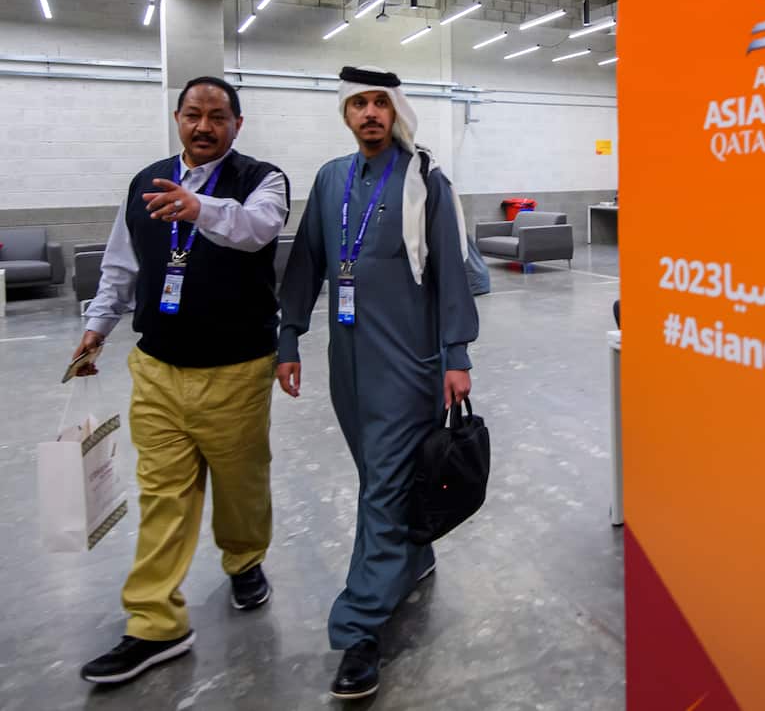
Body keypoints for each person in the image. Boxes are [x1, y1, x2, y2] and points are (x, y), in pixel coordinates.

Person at [73, 76, 290, 685]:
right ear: (177, 118)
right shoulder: (145, 182)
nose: (204, 126)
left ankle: (245, 561)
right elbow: (121, 265)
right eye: (193, 114)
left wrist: (199, 208)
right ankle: (153, 625)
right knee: (163, 493)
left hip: (237, 371)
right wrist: (97, 326)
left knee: (241, 485)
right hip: (158, 368)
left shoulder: (262, 179)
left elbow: (257, 229)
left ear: (236, 125)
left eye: (217, 116)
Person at [276, 65, 479, 700]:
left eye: (380, 103)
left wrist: (457, 353)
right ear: (345, 113)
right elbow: (307, 261)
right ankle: (414, 554)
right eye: (358, 103)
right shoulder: (330, 179)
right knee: (379, 477)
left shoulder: (425, 182)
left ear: (395, 112)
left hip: (408, 363)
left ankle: (359, 627)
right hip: (348, 365)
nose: (370, 113)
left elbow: (449, 267)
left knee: (385, 482)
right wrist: (288, 338)